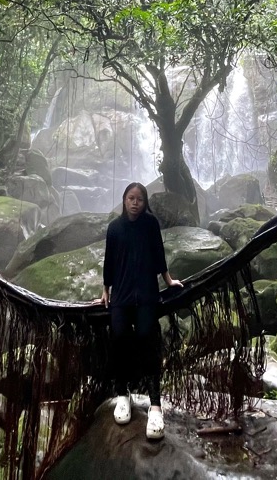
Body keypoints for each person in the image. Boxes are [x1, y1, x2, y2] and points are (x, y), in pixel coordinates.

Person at [100, 181, 183, 440]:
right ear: (124, 200)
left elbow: (159, 254)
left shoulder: (150, 225)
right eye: (130, 198)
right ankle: (123, 394)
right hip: (122, 296)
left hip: (147, 294)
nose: (135, 203)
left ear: (145, 202)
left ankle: (155, 405)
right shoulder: (114, 228)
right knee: (119, 338)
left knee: (148, 339)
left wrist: (168, 281)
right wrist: (106, 289)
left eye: (139, 199)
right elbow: (110, 261)